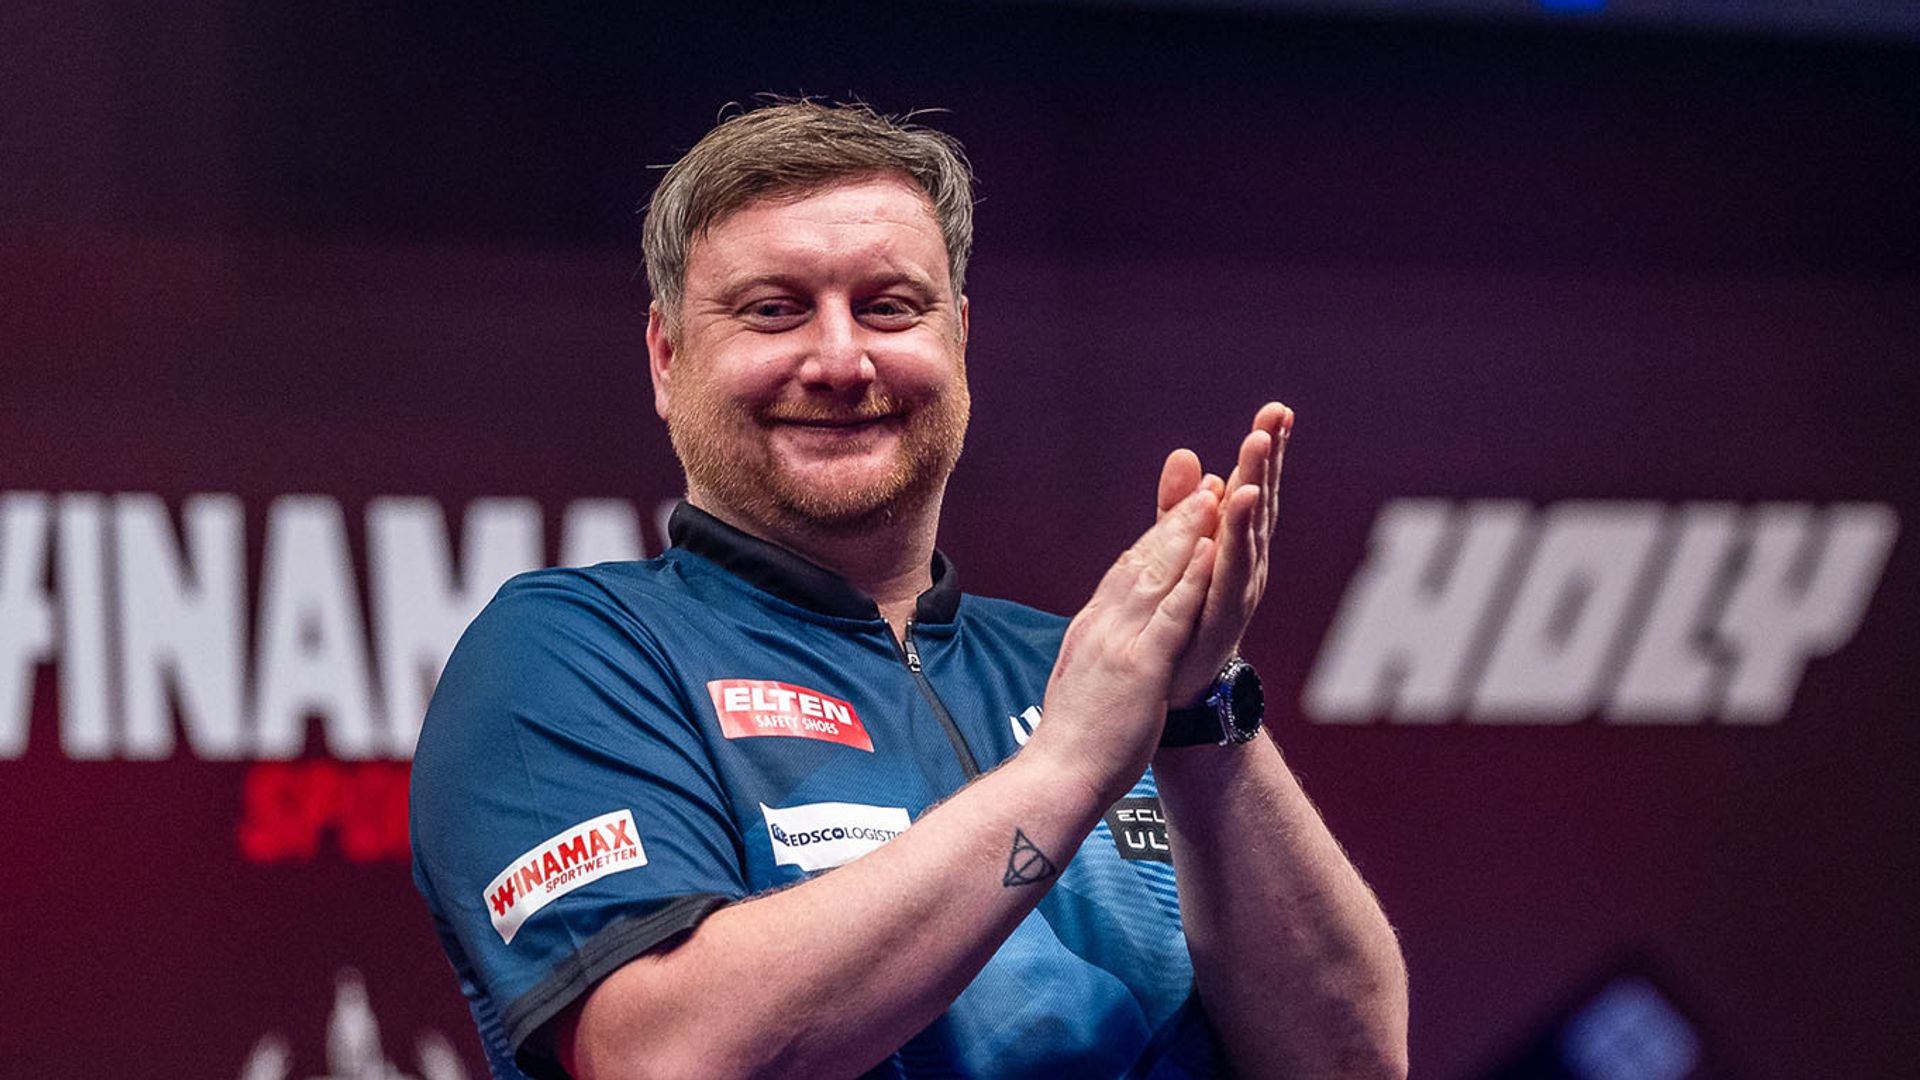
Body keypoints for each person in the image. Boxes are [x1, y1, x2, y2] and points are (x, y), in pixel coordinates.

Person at [410, 100, 1407, 1080]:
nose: (841, 360)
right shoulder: (571, 655)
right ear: (667, 359)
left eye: (888, 307)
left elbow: (1355, 1061)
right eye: (774, 310)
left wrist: (1198, 716)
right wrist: (1066, 770)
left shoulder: (1085, 669)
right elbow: (666, 1055)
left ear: (958, 340)